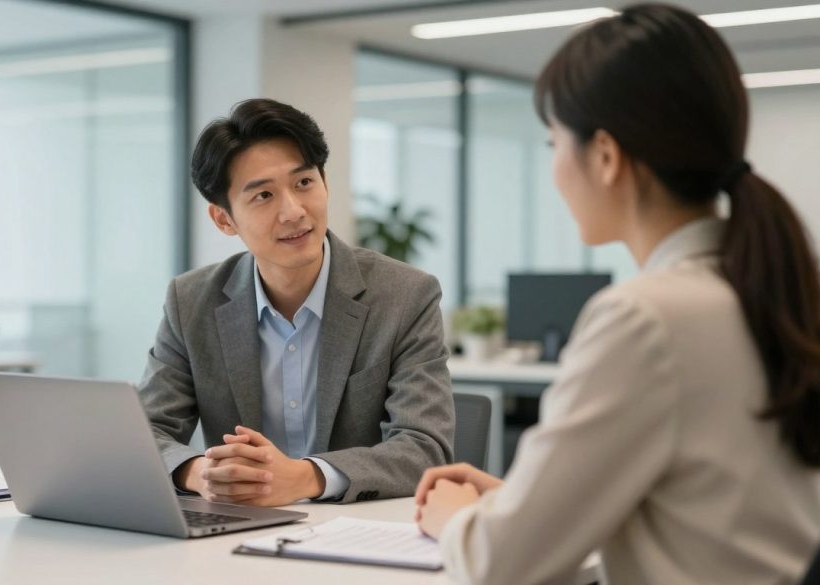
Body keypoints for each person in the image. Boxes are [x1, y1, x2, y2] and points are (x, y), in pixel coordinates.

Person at [415, 4, 820, 584]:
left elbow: (498, 566)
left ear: (605, 156)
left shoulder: (645, 317)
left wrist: (458, 521)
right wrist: (522, 501)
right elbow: (711, 504)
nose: (554, 168)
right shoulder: (764, 287)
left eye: (554, 142)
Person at [138, 98, 454, 506]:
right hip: (235, 537)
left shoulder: (405, 295)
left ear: (324, 183)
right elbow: (145, 431)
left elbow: (424, 447)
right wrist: (200, 473)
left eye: (304, 183)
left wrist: (307, 478)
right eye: (264, 196)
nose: (293, 211)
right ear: (224, 219)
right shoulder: (191, 301)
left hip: (358, 533)